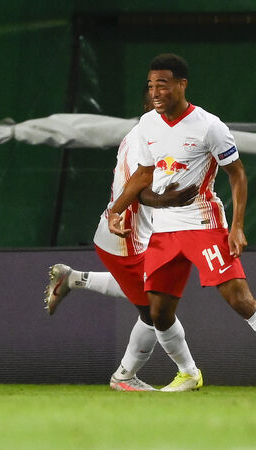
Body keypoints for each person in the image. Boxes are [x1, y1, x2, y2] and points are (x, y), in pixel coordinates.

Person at [108, 53, 256, 393]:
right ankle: (188, 373)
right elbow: (144, 174)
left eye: (163, 85)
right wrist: (116, 210)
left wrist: (237, 226)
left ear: (181, 84)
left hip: (203, 225)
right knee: (157, 313)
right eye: (151, 85)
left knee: (240, 300)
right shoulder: (147, 125)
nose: (155, 92)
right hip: (163, 230)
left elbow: (237, 174)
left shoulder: (209, 126)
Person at [45, 89, 202, 392]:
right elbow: (139, 189)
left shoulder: (149, 137)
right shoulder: (142, 141)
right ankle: (133, 376)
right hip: (123, 239)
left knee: (147, 292)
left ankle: (73, 278)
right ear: (148, 107)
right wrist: (167, 200)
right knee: (154, 311)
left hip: (131, 235)